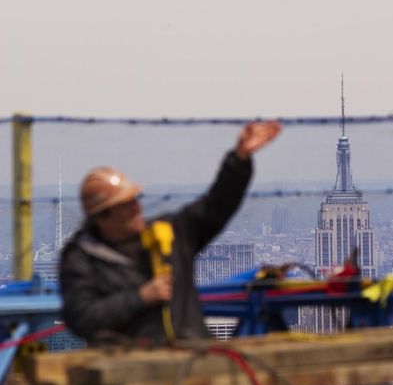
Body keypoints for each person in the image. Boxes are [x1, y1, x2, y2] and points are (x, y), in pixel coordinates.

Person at [59, 121, 282, 343]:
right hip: (128, 365)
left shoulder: (169, 233)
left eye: (135, 200)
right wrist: (140, 297)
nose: (137, 208)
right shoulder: (81, 259)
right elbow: (82, 318)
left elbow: (215, 206)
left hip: (192, 355)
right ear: (102, 218)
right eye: (125, 206)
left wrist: (240, 158)